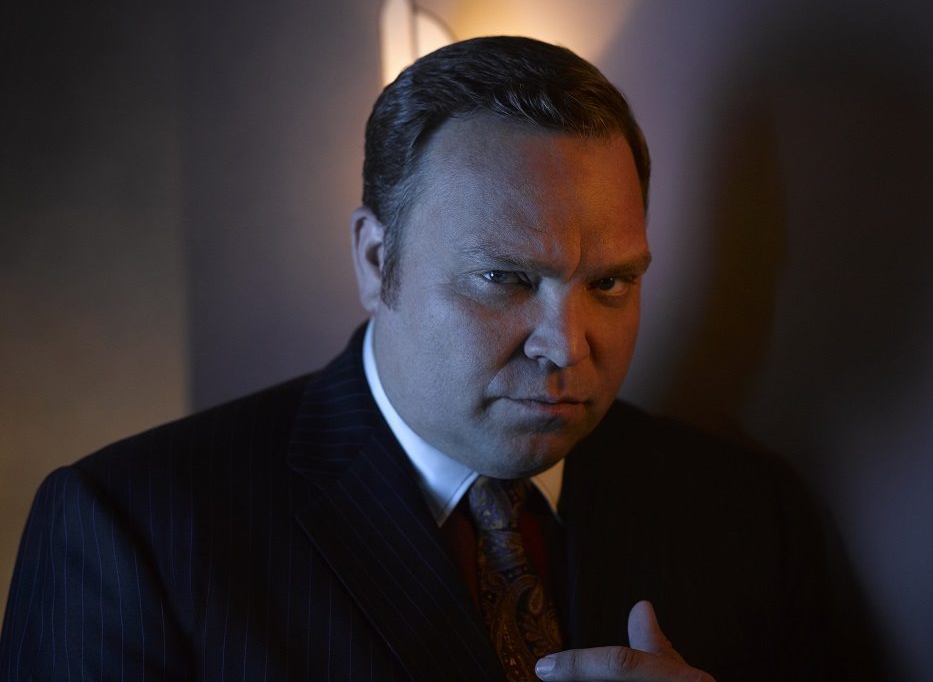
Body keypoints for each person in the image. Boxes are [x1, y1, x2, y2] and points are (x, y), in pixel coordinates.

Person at [2, 36, 848, 680]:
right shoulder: (133, 531)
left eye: (610, 284)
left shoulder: (747, 515)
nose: (566, 344)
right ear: (377, 261)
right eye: (504, 278)